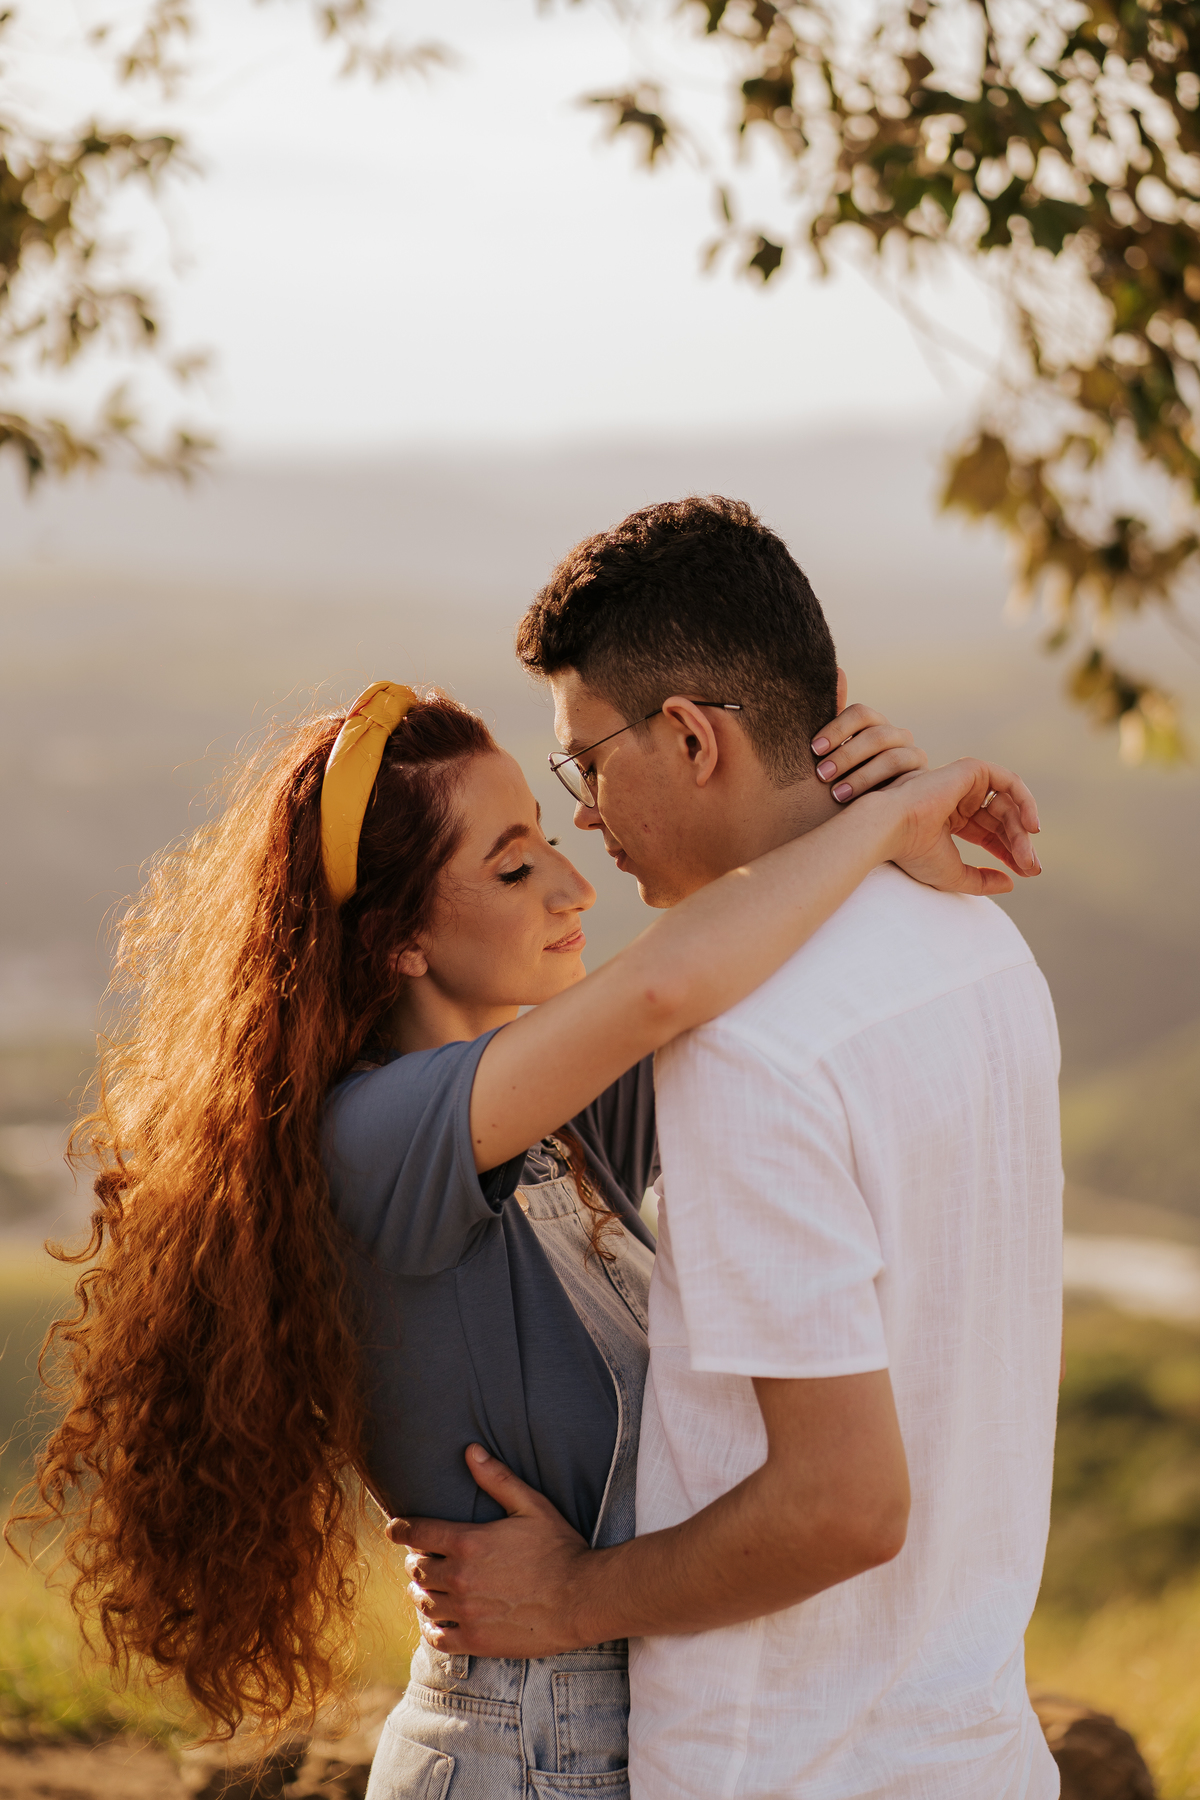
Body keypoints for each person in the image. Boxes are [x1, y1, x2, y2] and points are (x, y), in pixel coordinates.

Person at [398, 497, 1062, 1800]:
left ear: (693, 736)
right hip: (976, 1751)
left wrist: (570, 1596)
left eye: (584, 766)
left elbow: (843, 1507)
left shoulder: (752, 1047)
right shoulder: (982, 938)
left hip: (797, 1762)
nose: (582, 818)